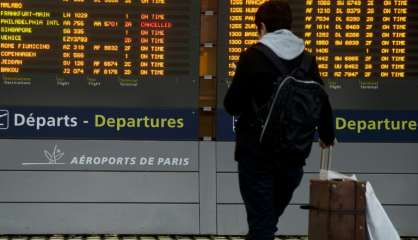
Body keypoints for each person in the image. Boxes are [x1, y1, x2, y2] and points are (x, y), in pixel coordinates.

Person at [223, 1, 336, 240]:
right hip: (293, 158)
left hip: (257, 157)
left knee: (262, 225)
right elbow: (321, 99)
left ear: (262, 26)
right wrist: (327, 134)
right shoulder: (307, 60)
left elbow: (231, 104)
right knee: (265, 222)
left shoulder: (252, 57)